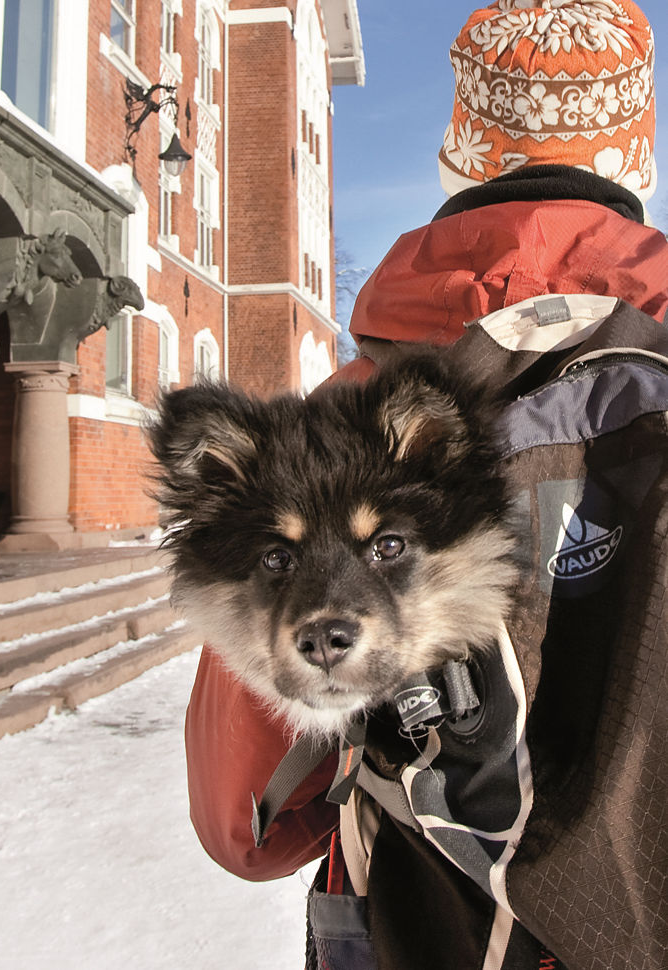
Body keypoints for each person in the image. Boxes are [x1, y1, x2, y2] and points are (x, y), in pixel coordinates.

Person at [185, 1, 668, 966]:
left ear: (461, 158)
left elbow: (248, 813)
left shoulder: (343, 415)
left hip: (425, 918)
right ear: (637, 161)